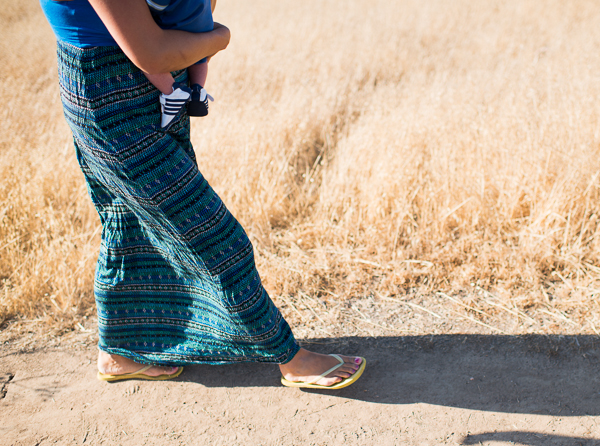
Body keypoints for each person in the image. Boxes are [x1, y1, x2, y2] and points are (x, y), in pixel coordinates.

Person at [39, 0, 366, 390]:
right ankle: (289, 357)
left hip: (133, 81)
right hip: (111, 87)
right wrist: (219, 37)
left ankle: (118, 352)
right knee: (209, 229)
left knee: (127, 222)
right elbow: (151, 51)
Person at [143, 0, 215, 128]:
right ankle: (197, 91)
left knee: (143, 57)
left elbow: (155, 6)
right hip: (203, 27)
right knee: (200, 59)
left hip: (177, 34)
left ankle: (172, 92)